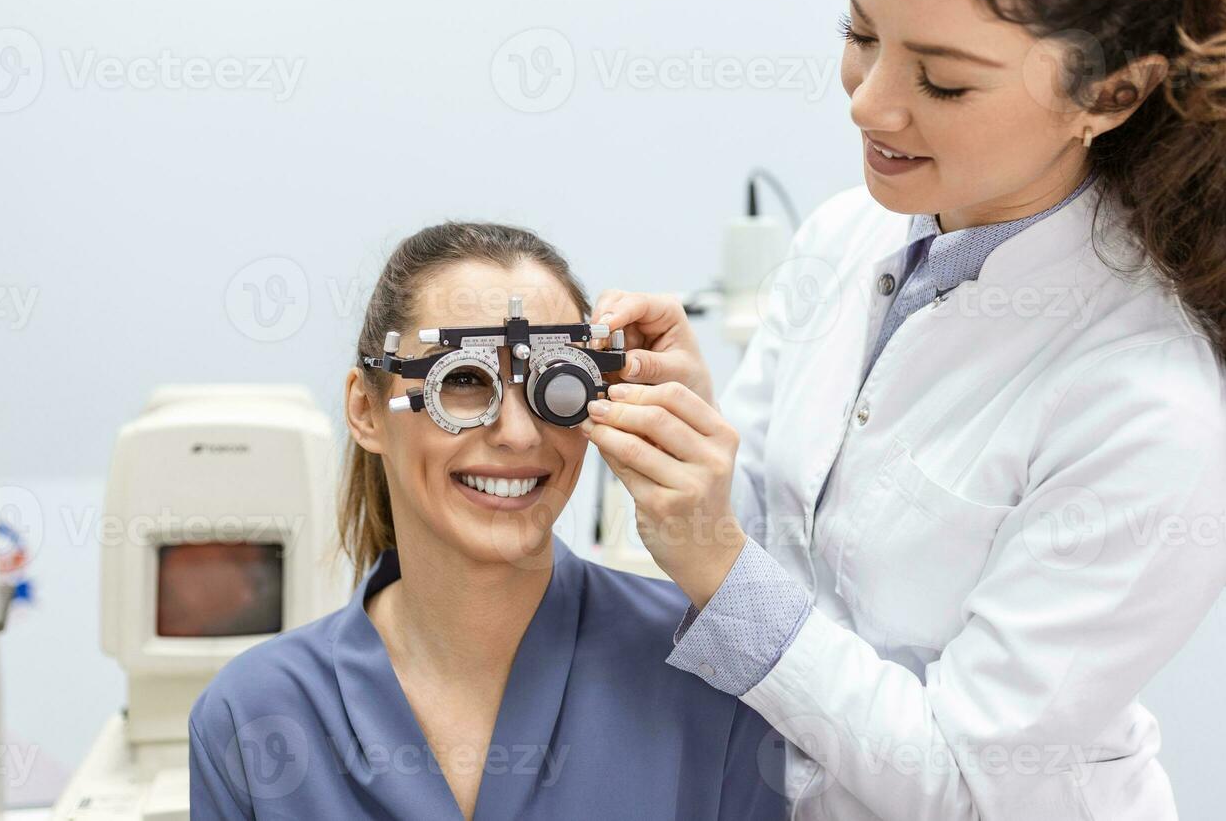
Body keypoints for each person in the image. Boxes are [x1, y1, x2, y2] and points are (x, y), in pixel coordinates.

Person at [577, 0, 1226, 818]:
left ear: (1110, 92)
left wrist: (714, 556)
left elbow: (964, 780)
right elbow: (780, 564)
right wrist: (692, 430)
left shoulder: (1150, 408)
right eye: (860, 31)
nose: (867, 98)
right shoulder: (843, 240)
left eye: (942, 80)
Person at [188, 222, 789, 820]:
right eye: (466, 381)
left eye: (555, 383)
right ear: (365, 409)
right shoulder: (253, 717)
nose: (519, 434)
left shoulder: (714, 673)